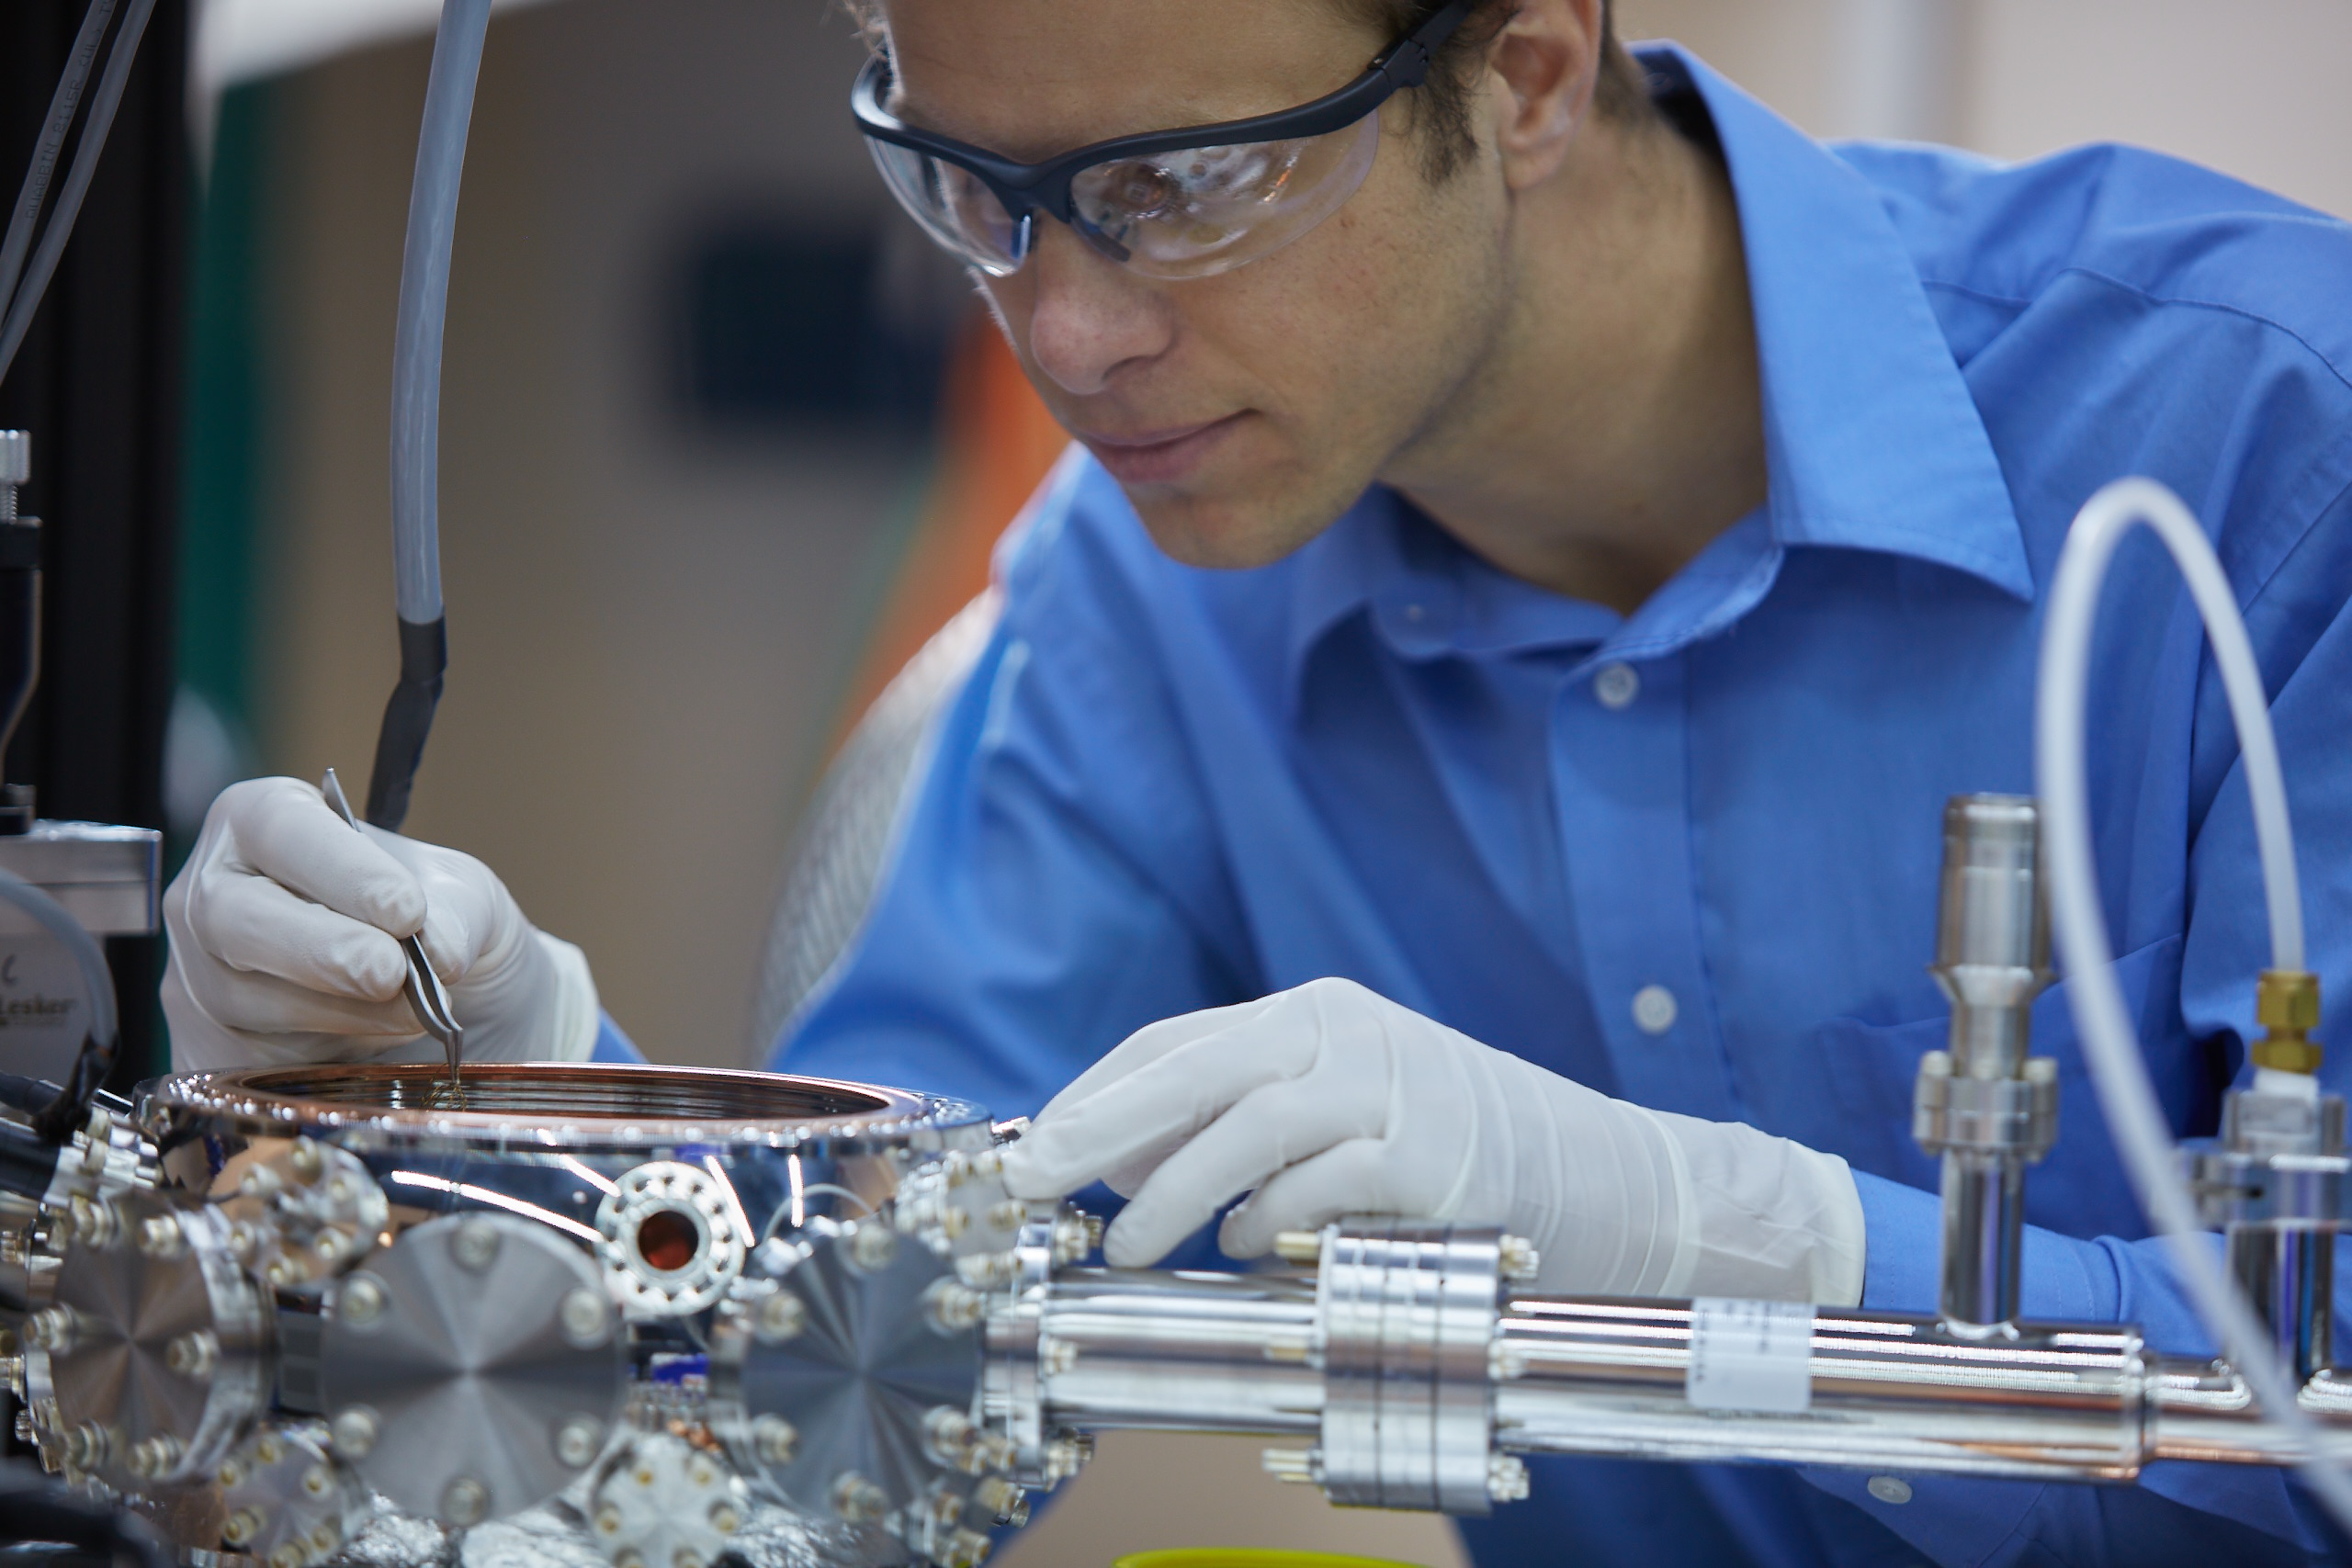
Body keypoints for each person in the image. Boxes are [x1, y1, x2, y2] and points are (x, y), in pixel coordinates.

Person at [163, 0, 2352, 1562]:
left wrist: (1742, 1237)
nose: (1066, 333)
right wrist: (518, 1114)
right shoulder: (1138, 608)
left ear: (1519, 75)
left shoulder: (2259, 454)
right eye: (969, 187)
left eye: (1177, 187)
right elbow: (866, 1396)